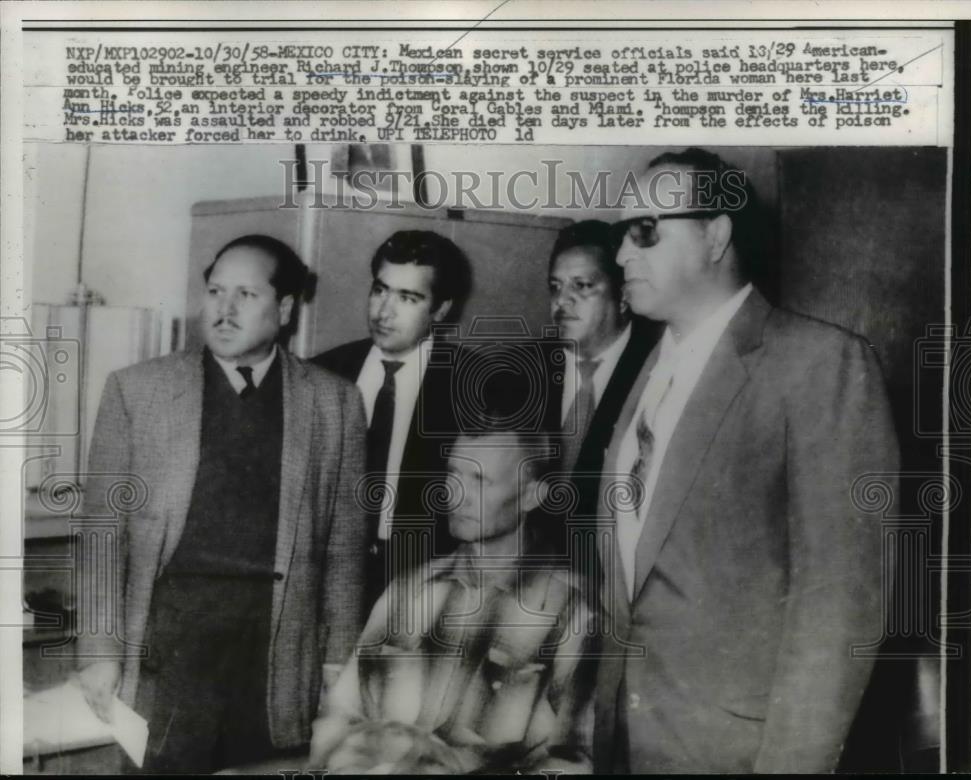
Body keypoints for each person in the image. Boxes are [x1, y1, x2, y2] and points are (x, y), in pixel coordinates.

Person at [593, 148, 899, 773]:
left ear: (716, 234)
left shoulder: (817, 362)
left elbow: (839, 605)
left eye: (645, 231)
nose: (622, 254)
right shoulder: (644, 372)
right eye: (621, 235)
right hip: (626, 743)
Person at [76, 235, 368, 772]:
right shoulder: (136, 391)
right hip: (169, 649)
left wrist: (337, 660)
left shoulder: (335, 402)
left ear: (284, 310)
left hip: (276, 648)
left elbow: (346, 546)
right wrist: (99, 655)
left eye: (245, 295)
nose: (224, 309)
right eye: (214, 291)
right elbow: (102, 535)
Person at [308, 416, 597, 775]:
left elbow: (574, 761)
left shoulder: (572, 612)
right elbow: (340, 719)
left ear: (531, 496)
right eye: (453, 473)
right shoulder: (407, 591)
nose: (454, 493)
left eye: (479, 479)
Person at [312, 230, 472, 609]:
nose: (384, 312)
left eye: (408, 298)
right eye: (380, 290)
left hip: (423, 590)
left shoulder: (475, 386)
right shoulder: (321, 373)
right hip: (325, 583)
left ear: (441, 309)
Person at [545, 219, 662, 504]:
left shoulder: (657, 369)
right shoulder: (517, 371)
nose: (562, 301)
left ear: (623, 295)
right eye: (555, 286)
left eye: (582, 286)